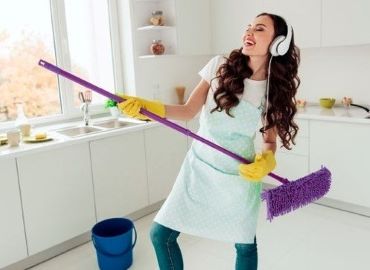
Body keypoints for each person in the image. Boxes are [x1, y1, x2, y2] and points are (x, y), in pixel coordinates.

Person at [118, 12, 300, 270]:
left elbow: (269, 141)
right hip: (199, 166)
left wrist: (267, 159)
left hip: (239, 176)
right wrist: (148, 109)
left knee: (245, 244)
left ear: (277, 43)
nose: (248, 32)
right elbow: (188, 110)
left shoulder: (272, 90)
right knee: (161, 235)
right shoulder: (219, 66)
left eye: (259, 29)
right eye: (248, 27)